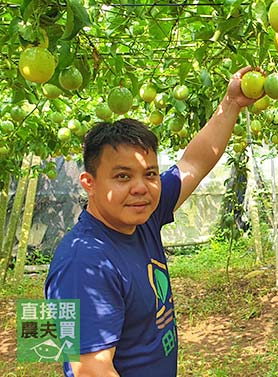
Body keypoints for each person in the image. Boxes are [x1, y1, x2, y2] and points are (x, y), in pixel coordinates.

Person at [44, 66, 259, 377]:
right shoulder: (81, 262)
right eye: (122, 176)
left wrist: (232, 102)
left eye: (150, 174)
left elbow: (193, 162)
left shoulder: (142, 216)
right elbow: (88, 370)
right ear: (88, 182)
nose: (140, 187)